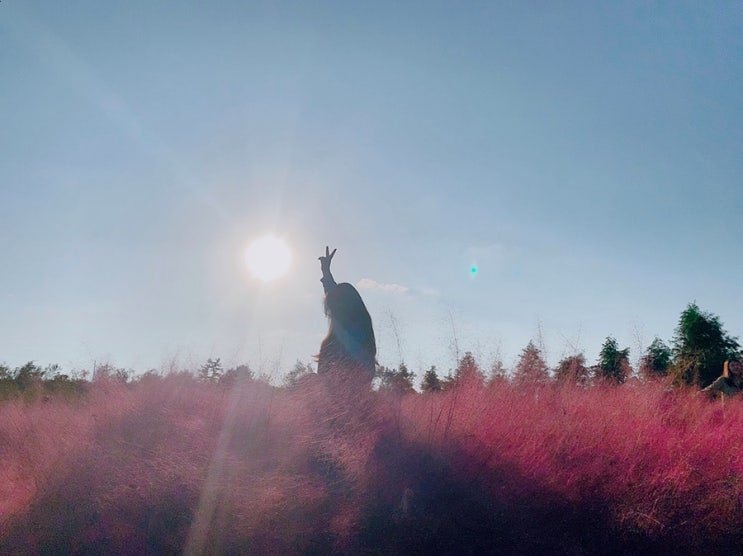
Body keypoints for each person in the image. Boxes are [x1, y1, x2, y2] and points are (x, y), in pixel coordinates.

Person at [317, 246, 377, 383]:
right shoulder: (350, 319)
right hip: (337, 385)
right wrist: (326, 272)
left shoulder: (356, 329)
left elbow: (335, 297)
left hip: (351, 386)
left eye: (333, 307)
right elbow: (334, 295)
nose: (329, 311)